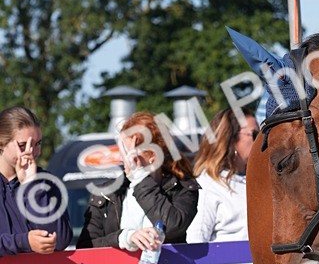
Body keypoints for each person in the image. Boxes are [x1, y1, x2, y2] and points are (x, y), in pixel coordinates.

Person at [77, 111, 199, 249]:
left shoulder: (182, 188)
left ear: (153, 155)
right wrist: (124, 238)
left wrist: (140, 178)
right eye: (121, 151)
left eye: (128, 151)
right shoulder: (106, 194)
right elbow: (85, 247)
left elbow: (172, 226)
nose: (122, 158)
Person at [0, 105, 72, 255]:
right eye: (22, 145)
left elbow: (60, 240)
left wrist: (31, 186)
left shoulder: (47, 182)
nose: (31, 152)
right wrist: (23, 242)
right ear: (1, 143)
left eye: (37, 144)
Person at [185, 108, 257, 242]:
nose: (259, 140)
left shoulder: (259, 181)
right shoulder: (206, 185)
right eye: (254, 134)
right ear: (231, 138)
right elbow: (195, 242)